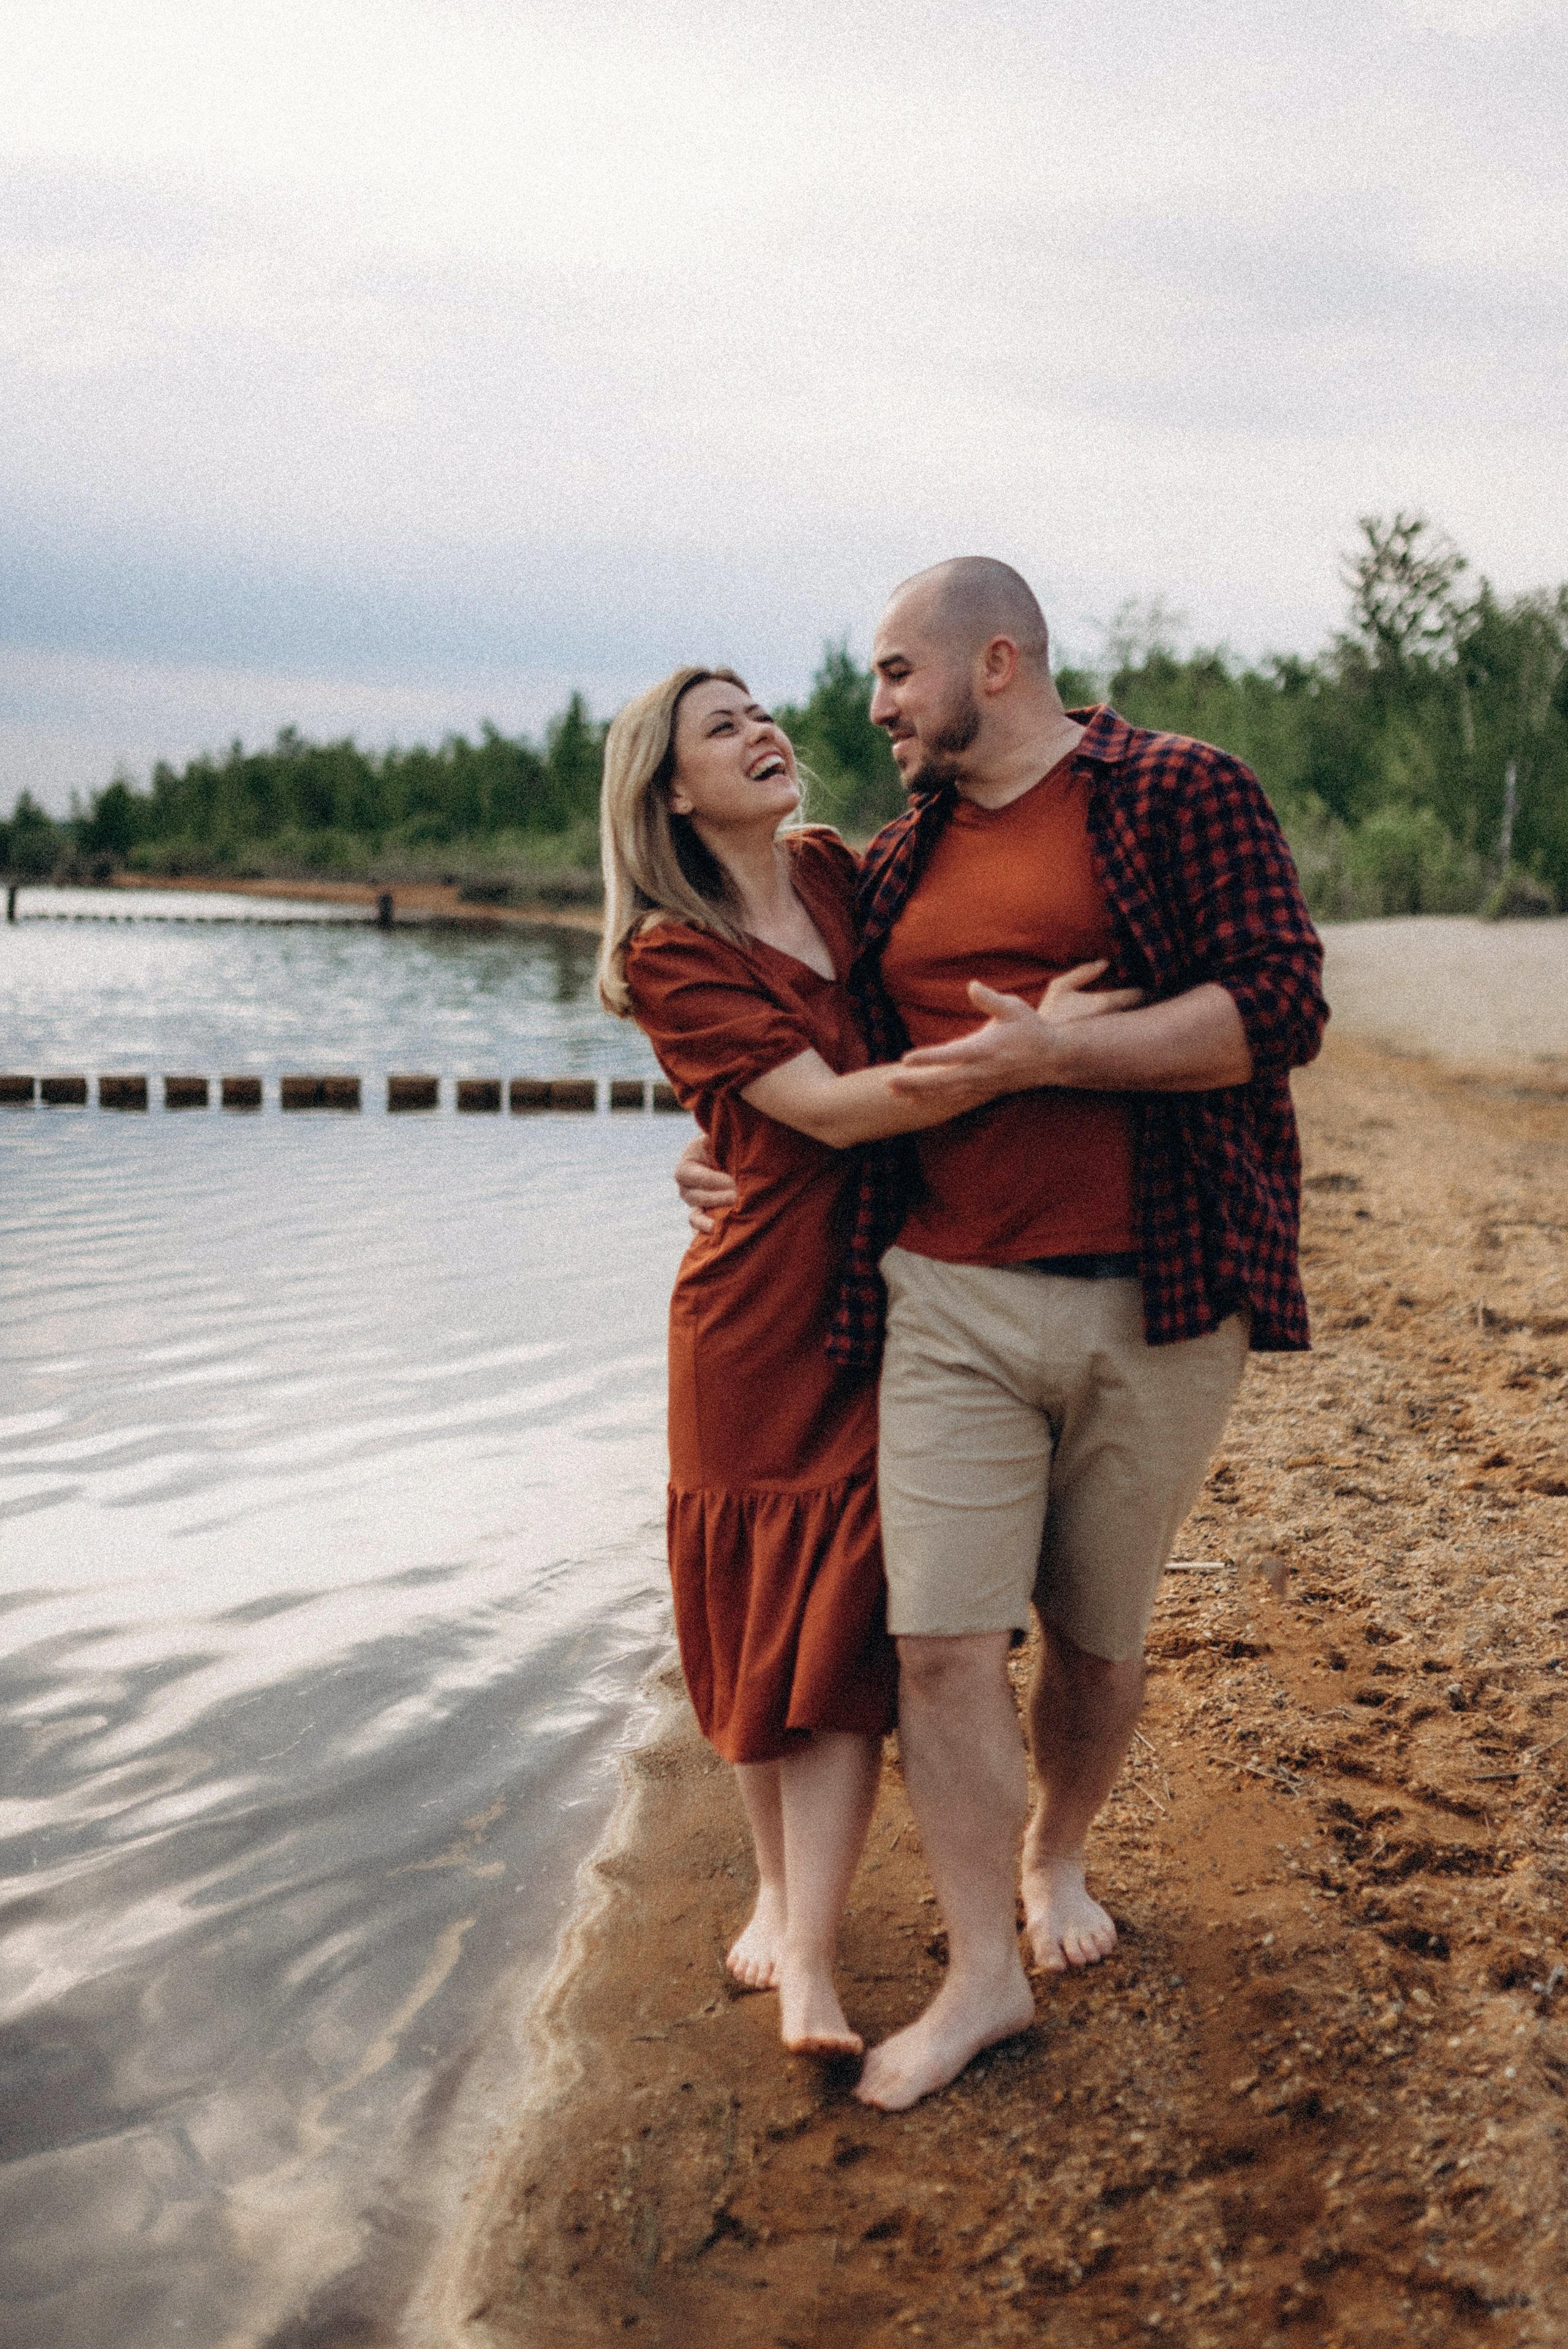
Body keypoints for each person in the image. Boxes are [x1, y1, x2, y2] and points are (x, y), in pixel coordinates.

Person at [675, 559, 1329, 2110]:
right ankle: (981, 1974)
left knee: (1096, 1641)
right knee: (940, 1641)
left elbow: (1281, 1004)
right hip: (940, 1292)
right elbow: (787, 1012)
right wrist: (715, 1140)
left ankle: (1055, 1858)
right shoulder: (886, 864)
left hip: (1159, 1290)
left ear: (996, 660)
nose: (875, 707)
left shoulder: (1179, 792)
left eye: (895, 675)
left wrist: (1059, 1059)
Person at [598, 665, 1139, 2060]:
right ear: (668, 786)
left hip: (875, 1298)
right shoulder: (668, 949)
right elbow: (830, 1110)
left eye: (761, 712)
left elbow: (967, 879)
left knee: (836, 1624)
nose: (764, 733)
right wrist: (1031, 1057)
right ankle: (779, 1899)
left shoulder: (837, 873)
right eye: (723, 728)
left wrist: (1044, 1037)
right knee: (747, 1621)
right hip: (748, 1322)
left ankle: (811, 1961)